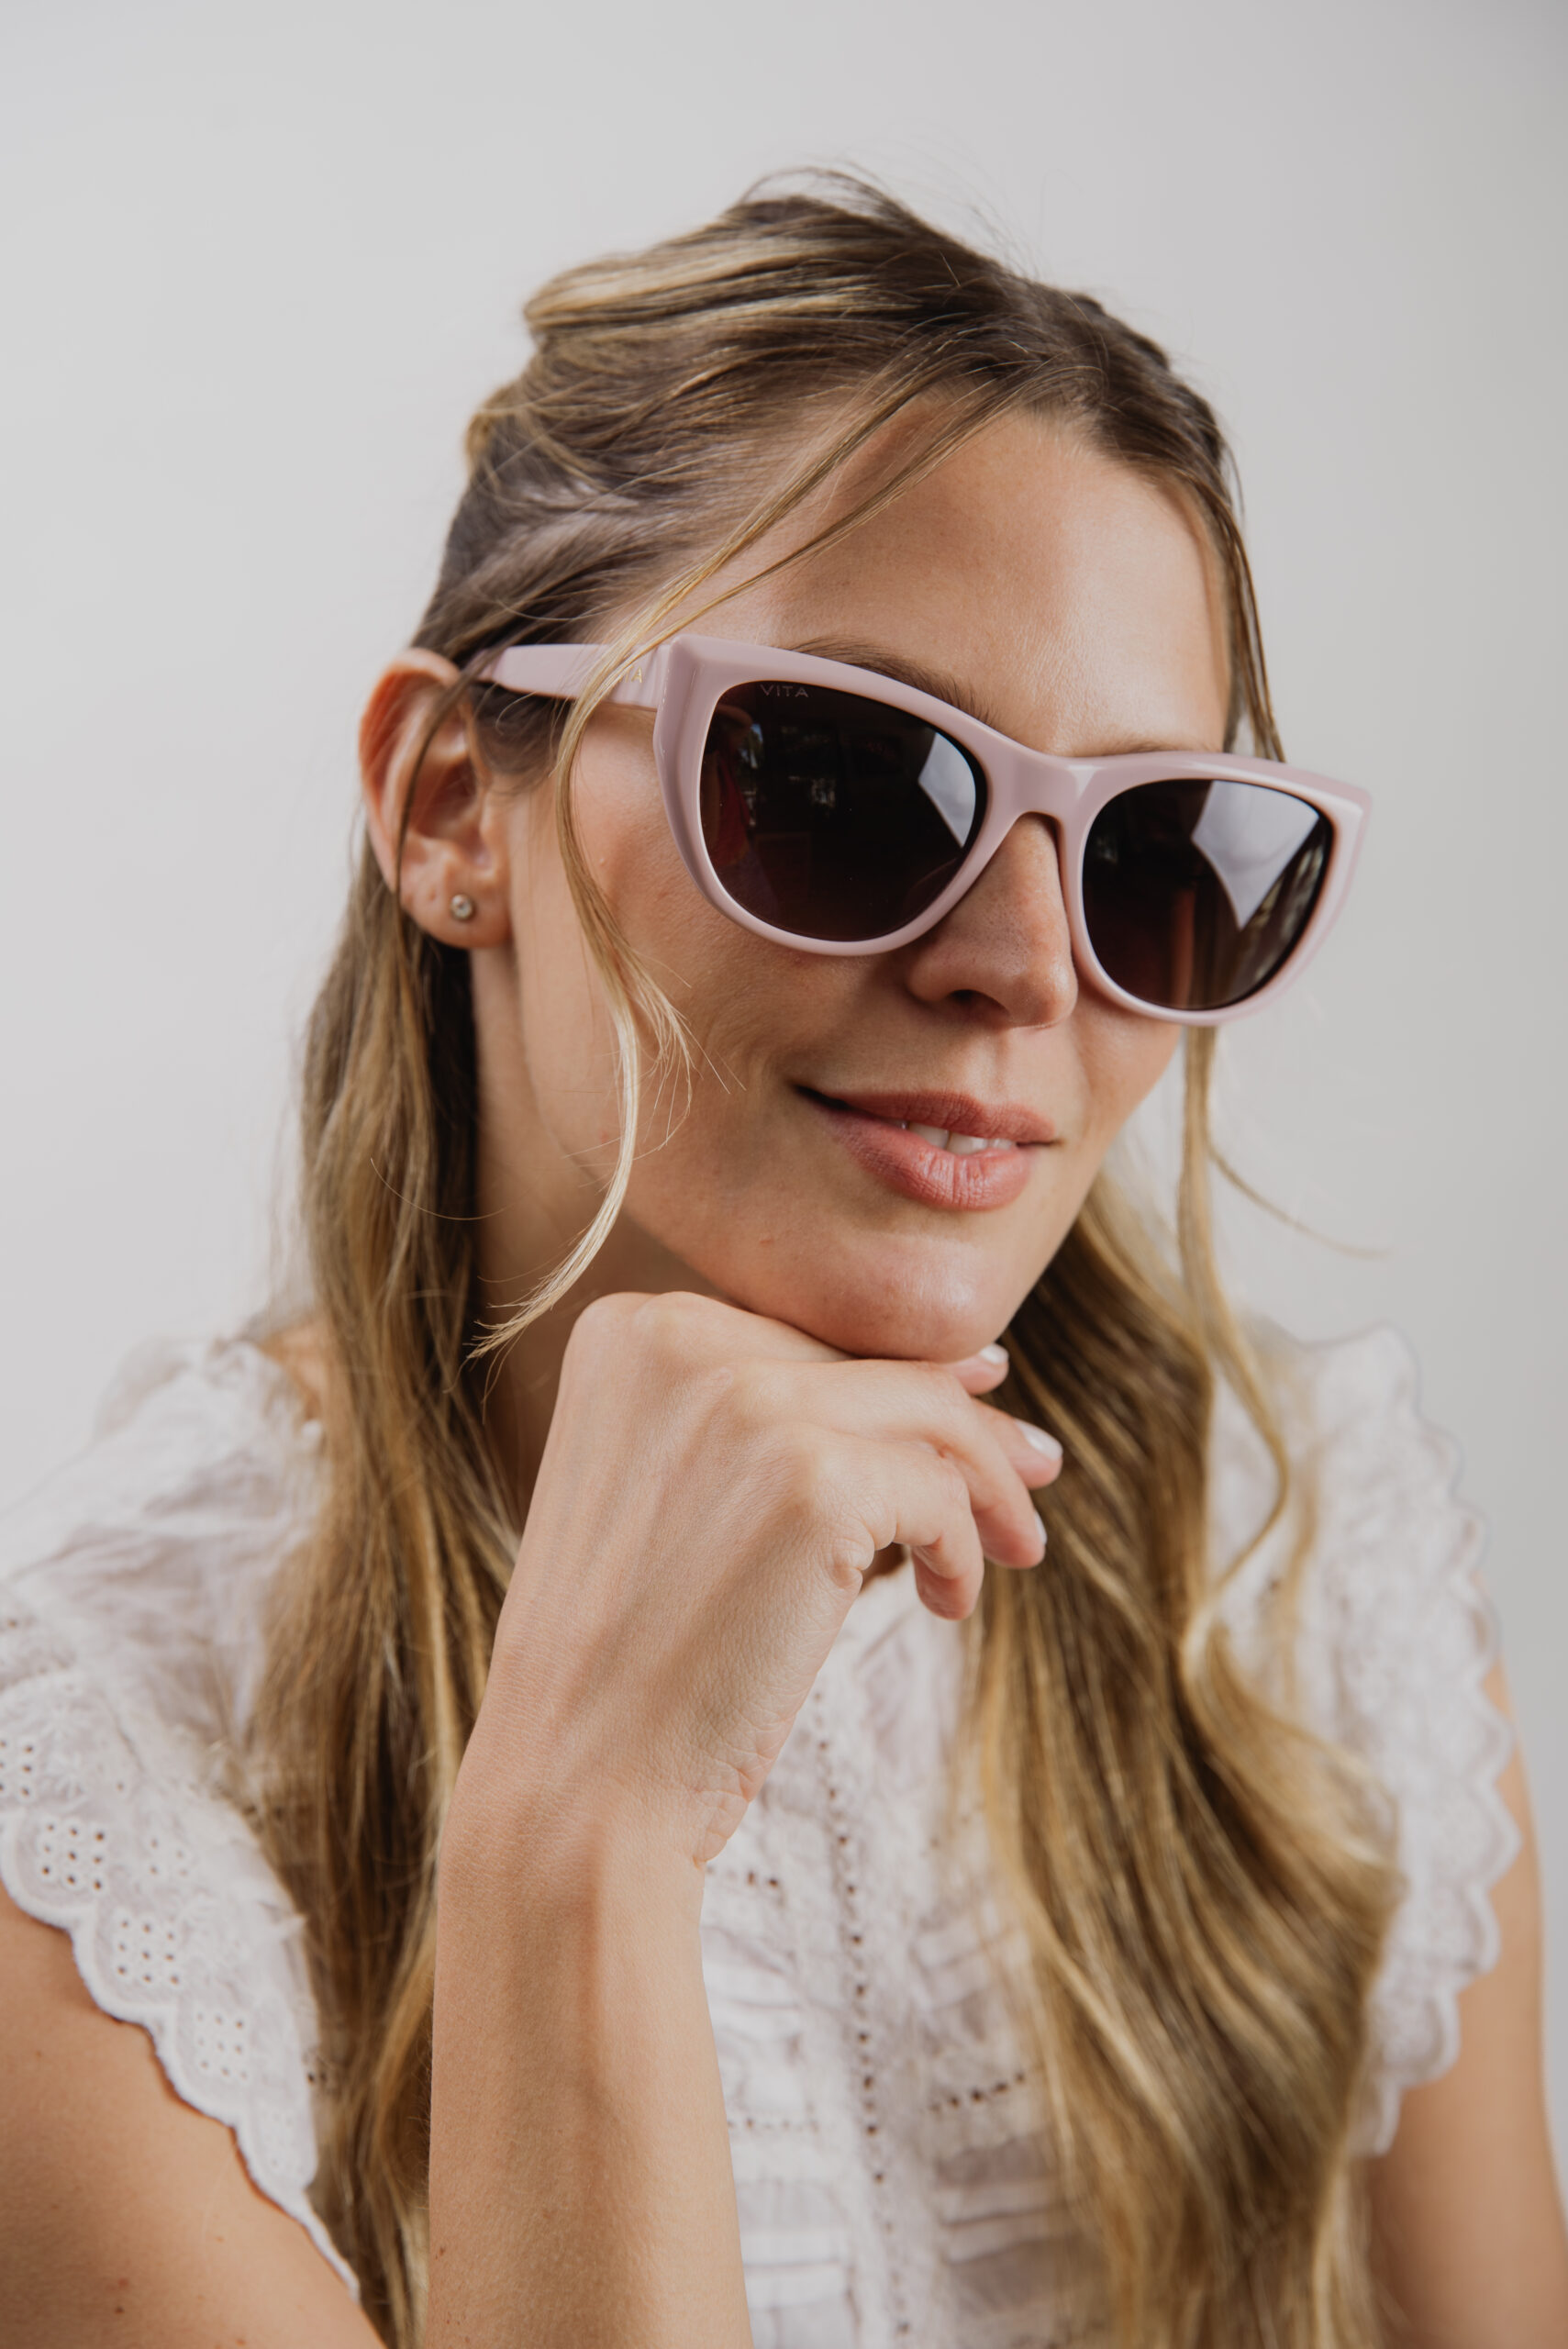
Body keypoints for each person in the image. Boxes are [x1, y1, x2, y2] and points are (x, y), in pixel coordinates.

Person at [0, 178, 1562, 2349]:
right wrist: (580, 1840)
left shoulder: (1294, 1580)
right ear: (452, 806)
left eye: (1158, 854)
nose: (1026, 968)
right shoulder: (85, 1826)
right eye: (844, 781)